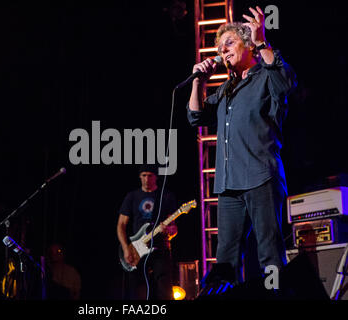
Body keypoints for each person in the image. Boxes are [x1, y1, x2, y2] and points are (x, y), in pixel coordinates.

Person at [186, 7, 297, 283]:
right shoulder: (225, 89)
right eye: (219, 47)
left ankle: (276, 295)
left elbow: (285, 82)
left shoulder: (266, 76)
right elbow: (196, 116)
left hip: (261, 178)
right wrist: (198, 82)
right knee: (225, 259)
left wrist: (262, 41)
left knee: (269, 252)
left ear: (248, 46)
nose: (223, 50)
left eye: (229, 43)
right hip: (228, 186)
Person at [116, 164, 178, 300]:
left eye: (150, 175)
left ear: (156, 177)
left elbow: (174, 229)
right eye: (143, 175)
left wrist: (168, 230)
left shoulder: (166, 196)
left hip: (160, 249)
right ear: (139, 177)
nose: (146, 179)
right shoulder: (132, 196)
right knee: (137, 291)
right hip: (136, 250)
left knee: (164, 291)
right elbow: (121, 225)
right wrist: (126, 249)